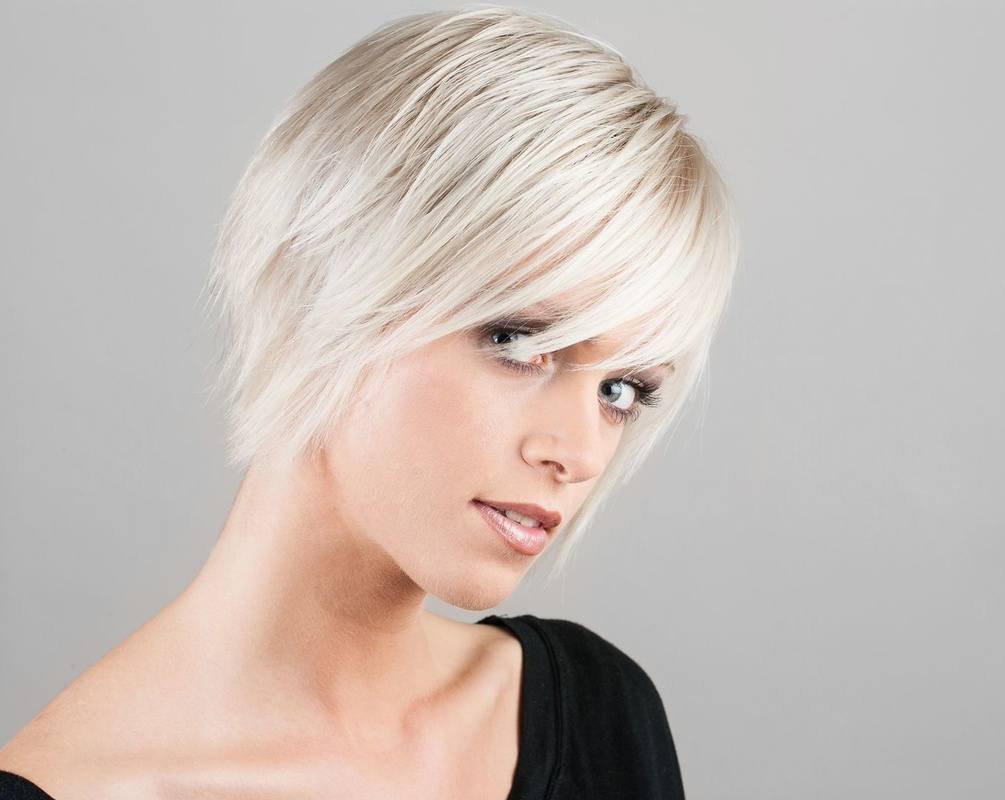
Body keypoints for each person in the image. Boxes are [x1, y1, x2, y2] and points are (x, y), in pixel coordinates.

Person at [0, 5, 740, 798]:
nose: (580, 452)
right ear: (327, 281)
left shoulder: (600, 717)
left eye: (621, 390)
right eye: (517, 340)